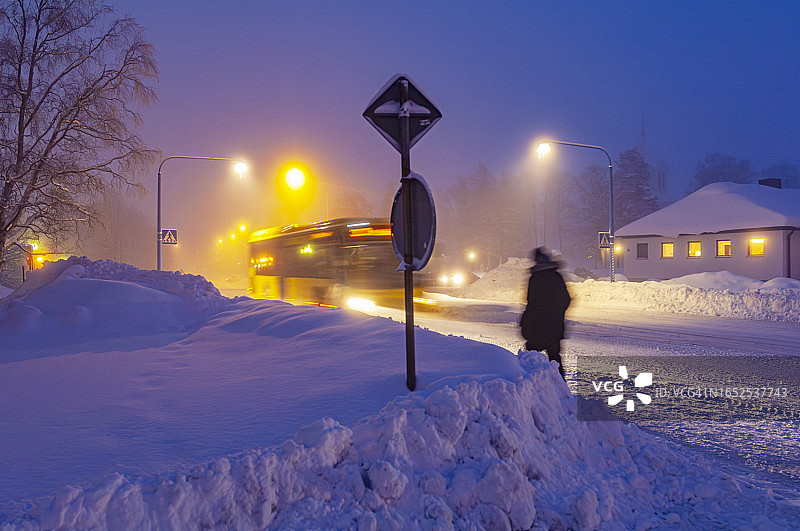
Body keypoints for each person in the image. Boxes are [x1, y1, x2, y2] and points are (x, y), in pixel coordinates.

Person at [520, 247, 571, 380]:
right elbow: (566, 299)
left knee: (530, 359)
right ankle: (560, 385)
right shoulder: (556, 276)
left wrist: (527, 321)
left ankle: (531, 385)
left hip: (537, 326)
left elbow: (531, 303)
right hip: (554, 326)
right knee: (555, 359)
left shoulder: (535, 278)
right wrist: (557, 314)